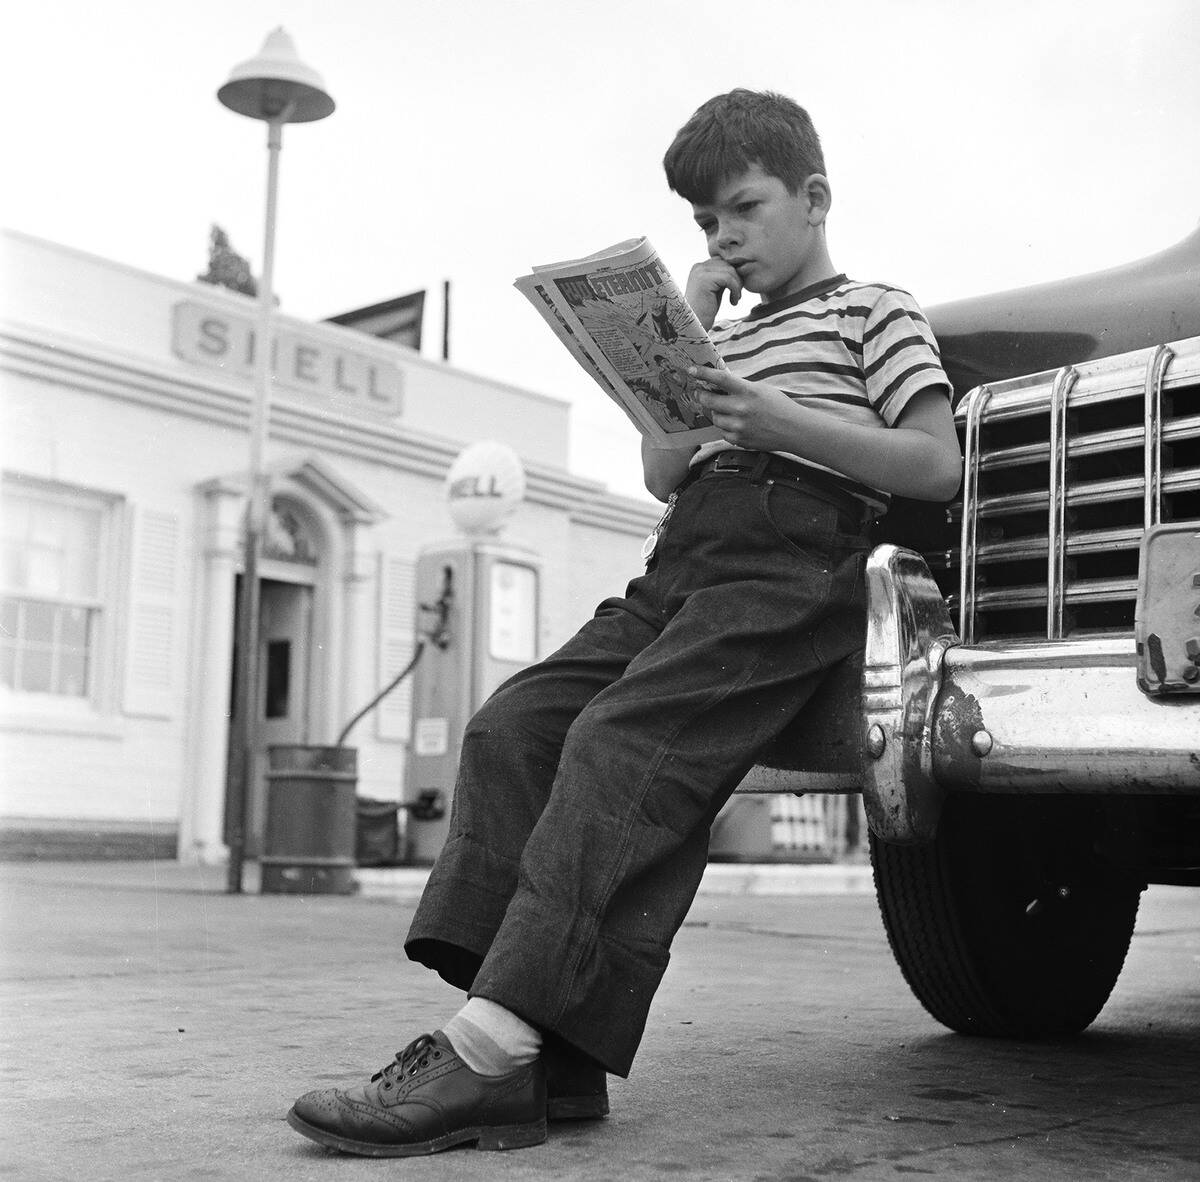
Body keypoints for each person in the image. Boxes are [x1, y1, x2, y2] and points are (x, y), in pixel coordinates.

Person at [286, 88, 962, 1158]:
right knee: (514, 724)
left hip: (793, 562)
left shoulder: (872, 311)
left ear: (814, 198)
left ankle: (488, 1051)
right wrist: (678, 348)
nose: (725, 237)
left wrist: (778, 418)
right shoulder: (727, 336)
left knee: (624, 741)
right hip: (683, 561)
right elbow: (661, 475)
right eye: (705, 222)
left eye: (744, 209)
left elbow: (934, 462)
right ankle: (544, 1054)